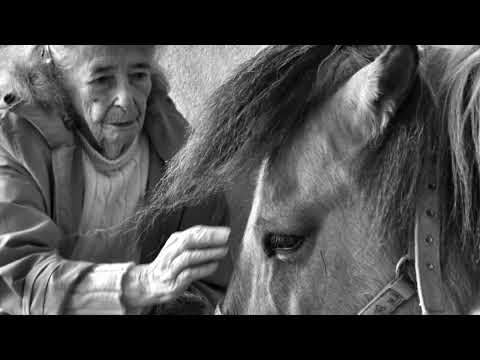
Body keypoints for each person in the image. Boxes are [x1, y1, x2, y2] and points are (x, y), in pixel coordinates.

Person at [0, 45, 232, 315]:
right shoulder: (14, 141)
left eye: (138, 76)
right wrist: (145, 282)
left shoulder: (174, 141)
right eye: (101, 79)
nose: (126, 100)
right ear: (56, 78)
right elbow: (25, 278)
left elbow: (205, 282)